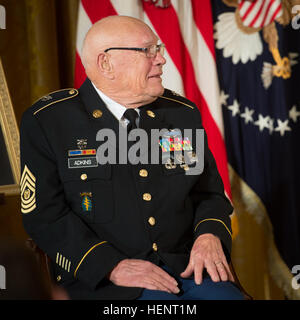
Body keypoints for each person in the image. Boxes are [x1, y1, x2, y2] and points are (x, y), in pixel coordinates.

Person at [20, 15, 244, 300]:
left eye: (159, 49)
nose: (161, 59)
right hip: (105, 278)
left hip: (186, 267)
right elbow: (45, 215)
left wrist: (209, 235)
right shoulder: (50, 121)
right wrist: (110, 266)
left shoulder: (180, 114)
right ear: (105, 63)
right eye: (147, 51)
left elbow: (208, 194)